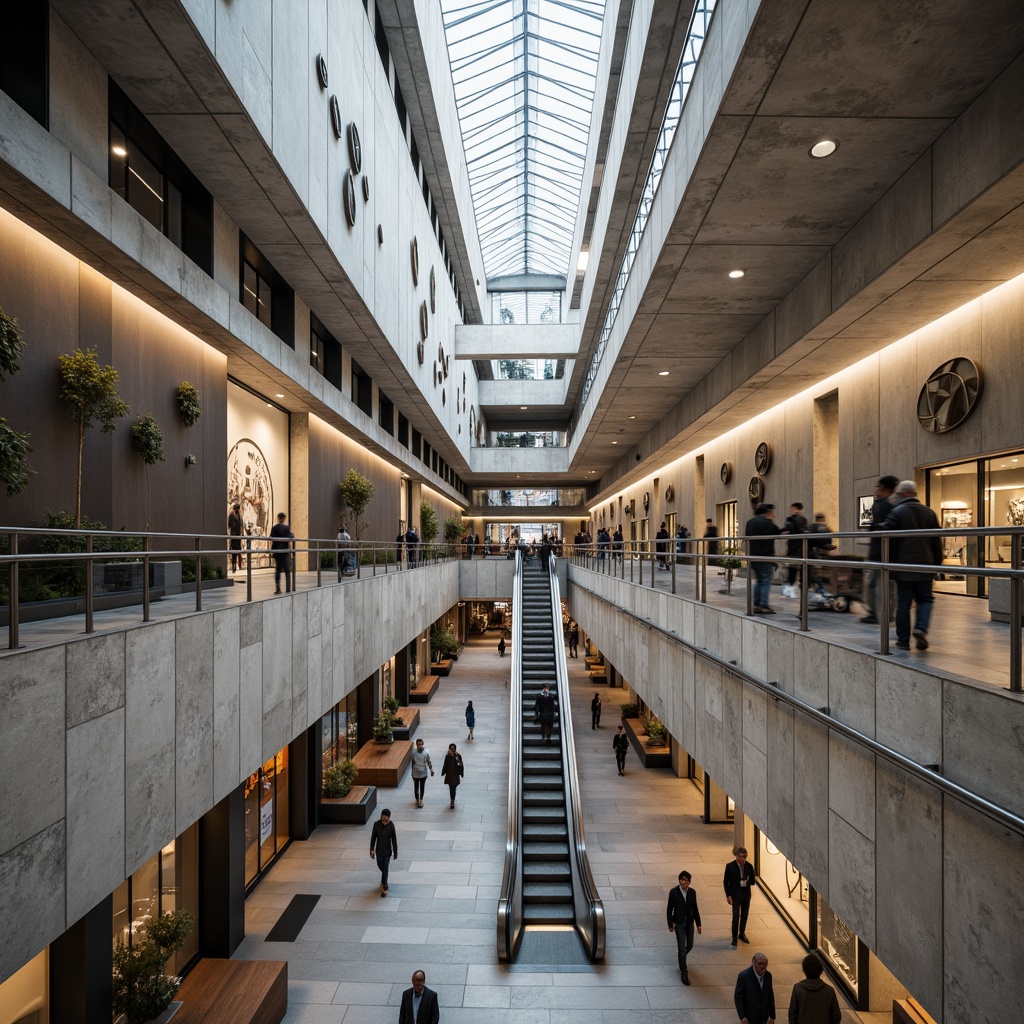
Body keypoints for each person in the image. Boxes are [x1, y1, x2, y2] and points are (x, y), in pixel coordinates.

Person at [882, 480, 943, 650]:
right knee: (925, 599)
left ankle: (903, 641)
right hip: (925, 565)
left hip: (903, 567)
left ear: (903, 494)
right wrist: (938, 564)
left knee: (903, 603)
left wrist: (889, 565)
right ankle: (921, 628)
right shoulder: (929, 513)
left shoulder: (897, 512)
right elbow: (937, 541)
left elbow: (889, 541)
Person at [862, 475, 900, 623]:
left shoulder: (882, 505)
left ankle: (880, 614)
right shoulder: (893, 505)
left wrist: (872, 527)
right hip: (887, 553)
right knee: (882, 585)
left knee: (876, 585)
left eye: (877, 487)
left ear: (883, 489)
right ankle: (884, 613)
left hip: (880, 553)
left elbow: (877, 528)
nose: (875, 490)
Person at [666, 869, 702, 985]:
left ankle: (681, 958)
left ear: (689, 882)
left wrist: (699, 924)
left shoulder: (692, 892)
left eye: (686, 880)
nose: (684, 882)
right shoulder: (674, 892)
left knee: (690, 944)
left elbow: (695, 908)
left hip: (689, 922)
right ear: (679, 881)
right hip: (679, 923)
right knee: (681, 947)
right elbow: (669, 909)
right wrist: (670, 924)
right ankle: (684, 971)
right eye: (682, 880)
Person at [745, 504, 780, 614]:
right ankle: (763, 605)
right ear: (768, 512)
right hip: (765, 556)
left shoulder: (750, 522)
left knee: (759, 581)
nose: (773, 515)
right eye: (772, 513)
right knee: (765, 581)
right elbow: (777, 532)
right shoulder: (767, 522)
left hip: (753, 556)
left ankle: (756, 605)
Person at [788, 953, 842, 1024]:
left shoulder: (798, 989)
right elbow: (836, 1016)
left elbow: (792, 1015)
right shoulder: (829, 990)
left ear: (804, 970)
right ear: (820, 971)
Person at [724, 846, 757, 946]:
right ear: (736, 856)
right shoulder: (730, 866)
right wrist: (728, 895)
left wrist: (747, 882)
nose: (742, 859)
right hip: (735, 895)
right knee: (735, 916)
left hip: (746, 895)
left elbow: (753, 881)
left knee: (744, 915)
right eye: (740, 857)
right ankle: (734, 936)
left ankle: (742, 933)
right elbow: (726, 882)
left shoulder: (749, 866)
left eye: (744, 857)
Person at [735, 953, 776, 1024]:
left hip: (763, 1017)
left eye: (765, 968)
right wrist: (742, 1017)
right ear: (754, 963)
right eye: (762, 968)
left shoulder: (768, 976)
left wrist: (772, 1017)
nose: (764, 971)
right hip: (749, 1018)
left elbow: (770, 996)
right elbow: (738, 997)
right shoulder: (744, 976)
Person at [780, 502, 808, 597]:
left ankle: (791, 586)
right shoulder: (794, 519)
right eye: (793, 509)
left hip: (797, 545)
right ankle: (790, 586)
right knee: (793, 567)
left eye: (795, 509)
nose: (793, 511)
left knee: (795, 566)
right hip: (795, 546)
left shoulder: (793, 519)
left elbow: (788, 529)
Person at [369, 808, 397, 896]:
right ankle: (384, 878)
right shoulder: (376, 825)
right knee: (380, 864)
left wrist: (395, 851)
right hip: (379, 850)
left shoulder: (391, 825)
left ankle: (385, 885)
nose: (384, 820)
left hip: (388, 850)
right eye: (383, 818)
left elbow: (394, 839)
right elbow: (373, 837)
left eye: (386, 818)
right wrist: (372, 848)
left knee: (385, 867)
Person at [269, 512, 293, 594]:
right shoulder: (286, 528)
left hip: (277, 552)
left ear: (278, 518)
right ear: (284, 518)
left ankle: (278, 588)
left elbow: (271, 537)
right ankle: (288, 588)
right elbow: (291, 536)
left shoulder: (274, 528)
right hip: (285, 552)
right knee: (287, 570)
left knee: (278, 570)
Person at [410, 738, 434, 808]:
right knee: (416, 786)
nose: (420, 746)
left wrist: (431, 770)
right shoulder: (414, 753)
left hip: (423, 772)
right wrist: (412, 773)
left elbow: (429, 761)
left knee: (422, 786)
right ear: (416, 745)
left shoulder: (426, 752)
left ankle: (421, 799)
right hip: (415, 772)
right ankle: (417, 799)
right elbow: (412, 763)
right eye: (418, 744)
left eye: (421, 744)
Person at [440, 743, 464, 809]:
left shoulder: (457, 756)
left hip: (455, 775)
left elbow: (460, 764)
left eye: (453, 749)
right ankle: (452, 800)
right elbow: (445, 764)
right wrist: (443, 772)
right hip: (450, 775)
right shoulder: (447, 756)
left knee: (454, 788)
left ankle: (452, 800)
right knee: (451, 788)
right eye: (451, 749)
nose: (452, 750)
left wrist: (456, 757)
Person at [228, 502, 243, 572]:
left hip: (238, 536)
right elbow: (229, 525)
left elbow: (240, 525)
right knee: (233, 552)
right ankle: (233, 565)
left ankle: (238, 565)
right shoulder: (231, 516)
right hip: (233, 535)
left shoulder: (239, 516)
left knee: (238, 551)